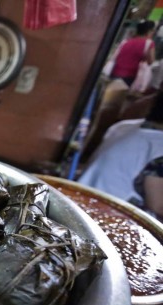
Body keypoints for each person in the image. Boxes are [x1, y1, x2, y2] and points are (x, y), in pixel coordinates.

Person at [78, 90, 163, 221]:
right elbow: (158, 205)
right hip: (104, 214)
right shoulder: (159, 145)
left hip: (79, 195)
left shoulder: (123, 126)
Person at [110, 19, 156, 87]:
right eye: (152, 31)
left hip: (115, 71)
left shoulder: (126, 41)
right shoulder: (149, 43)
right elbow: (151, 61)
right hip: (130, 75)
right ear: (148, 31)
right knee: (119, 94)